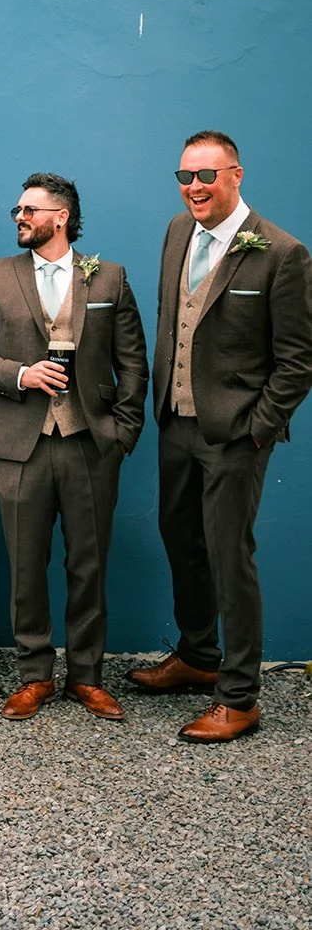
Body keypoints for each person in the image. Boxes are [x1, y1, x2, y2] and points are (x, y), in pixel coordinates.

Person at [127, 131, 312, 742]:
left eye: (206, 176)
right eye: (185, 177)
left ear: (236, 174)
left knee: (229, 556)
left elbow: (298, 359)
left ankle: (240, 695)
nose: (195, 188)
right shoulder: (177, 233)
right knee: (180, 539)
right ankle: (199, 655)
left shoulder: (281, 253)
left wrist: (257, 430)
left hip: (234, 435)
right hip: (175, 422)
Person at [0, 173, 148, 722]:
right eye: (17, 208)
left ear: (60, 216)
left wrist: (121, 433)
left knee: (88, 563)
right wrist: (20, 374)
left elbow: (132, 361)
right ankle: (35, 675)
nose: (19, 216)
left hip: (90, 441)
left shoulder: (108, 277)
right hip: (19, 441)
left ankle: (86, 677)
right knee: (25, 563)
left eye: (29, 209)